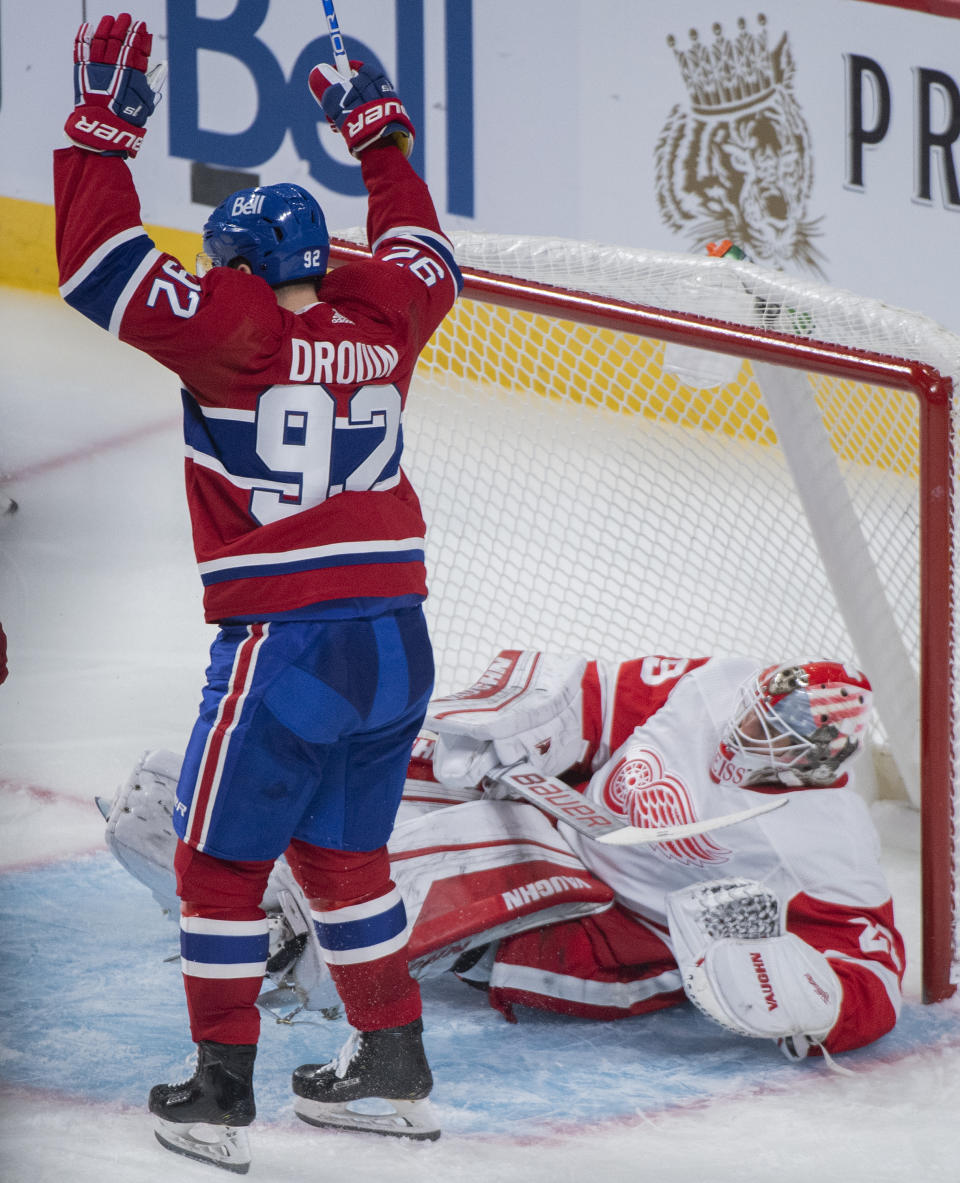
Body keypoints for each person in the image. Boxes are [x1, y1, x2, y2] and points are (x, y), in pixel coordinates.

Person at [56, 13, 461, 1171]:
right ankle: (390, 1060)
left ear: (237, 266)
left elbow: (96, 265)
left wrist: (104, 127)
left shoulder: (225, 328)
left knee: (217, 865)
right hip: (397, 638)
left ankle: (218, 1087)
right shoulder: (390, 309)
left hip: (286, 641)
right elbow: (424, 251)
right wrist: (377, 136)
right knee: (345, 858)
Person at [106, 648, 905, 1085]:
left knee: (486, 853)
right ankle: (239, 835)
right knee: (390, 763)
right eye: (755, 719)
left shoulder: (826, 839)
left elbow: (875, 960)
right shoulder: (717, 684)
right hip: (564, 808)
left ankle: (287, 936)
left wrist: (826, 1000)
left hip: (617, 931)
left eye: (771, 742)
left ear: (812, 767)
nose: (746, 739)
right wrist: (534, 734)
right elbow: (598, 694)